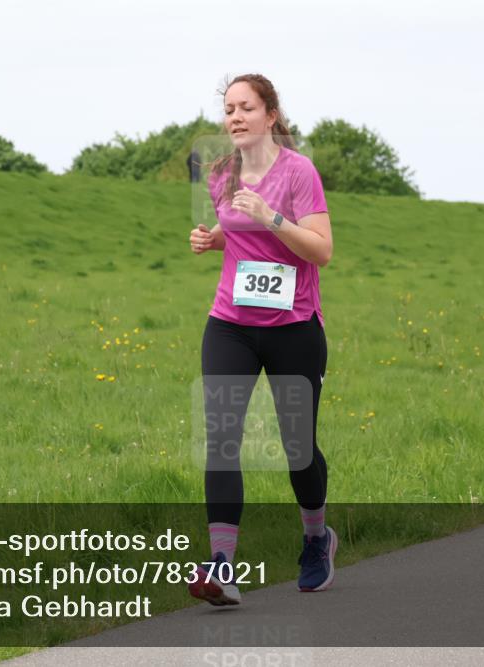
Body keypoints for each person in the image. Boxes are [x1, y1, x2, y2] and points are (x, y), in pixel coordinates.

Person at [186, 74, 335, 606]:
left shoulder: (299, 173)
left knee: (298, 449)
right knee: (222, 437)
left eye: (246, 107)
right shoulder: (221, 174)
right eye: (228, 109)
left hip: (293, 327)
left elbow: (320, 250)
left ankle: (317, 539)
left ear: (271, 114)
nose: (235, 117)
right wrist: (215, 238)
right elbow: (238, 229)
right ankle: (221, 566)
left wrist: (270, 216)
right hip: (230, 323)